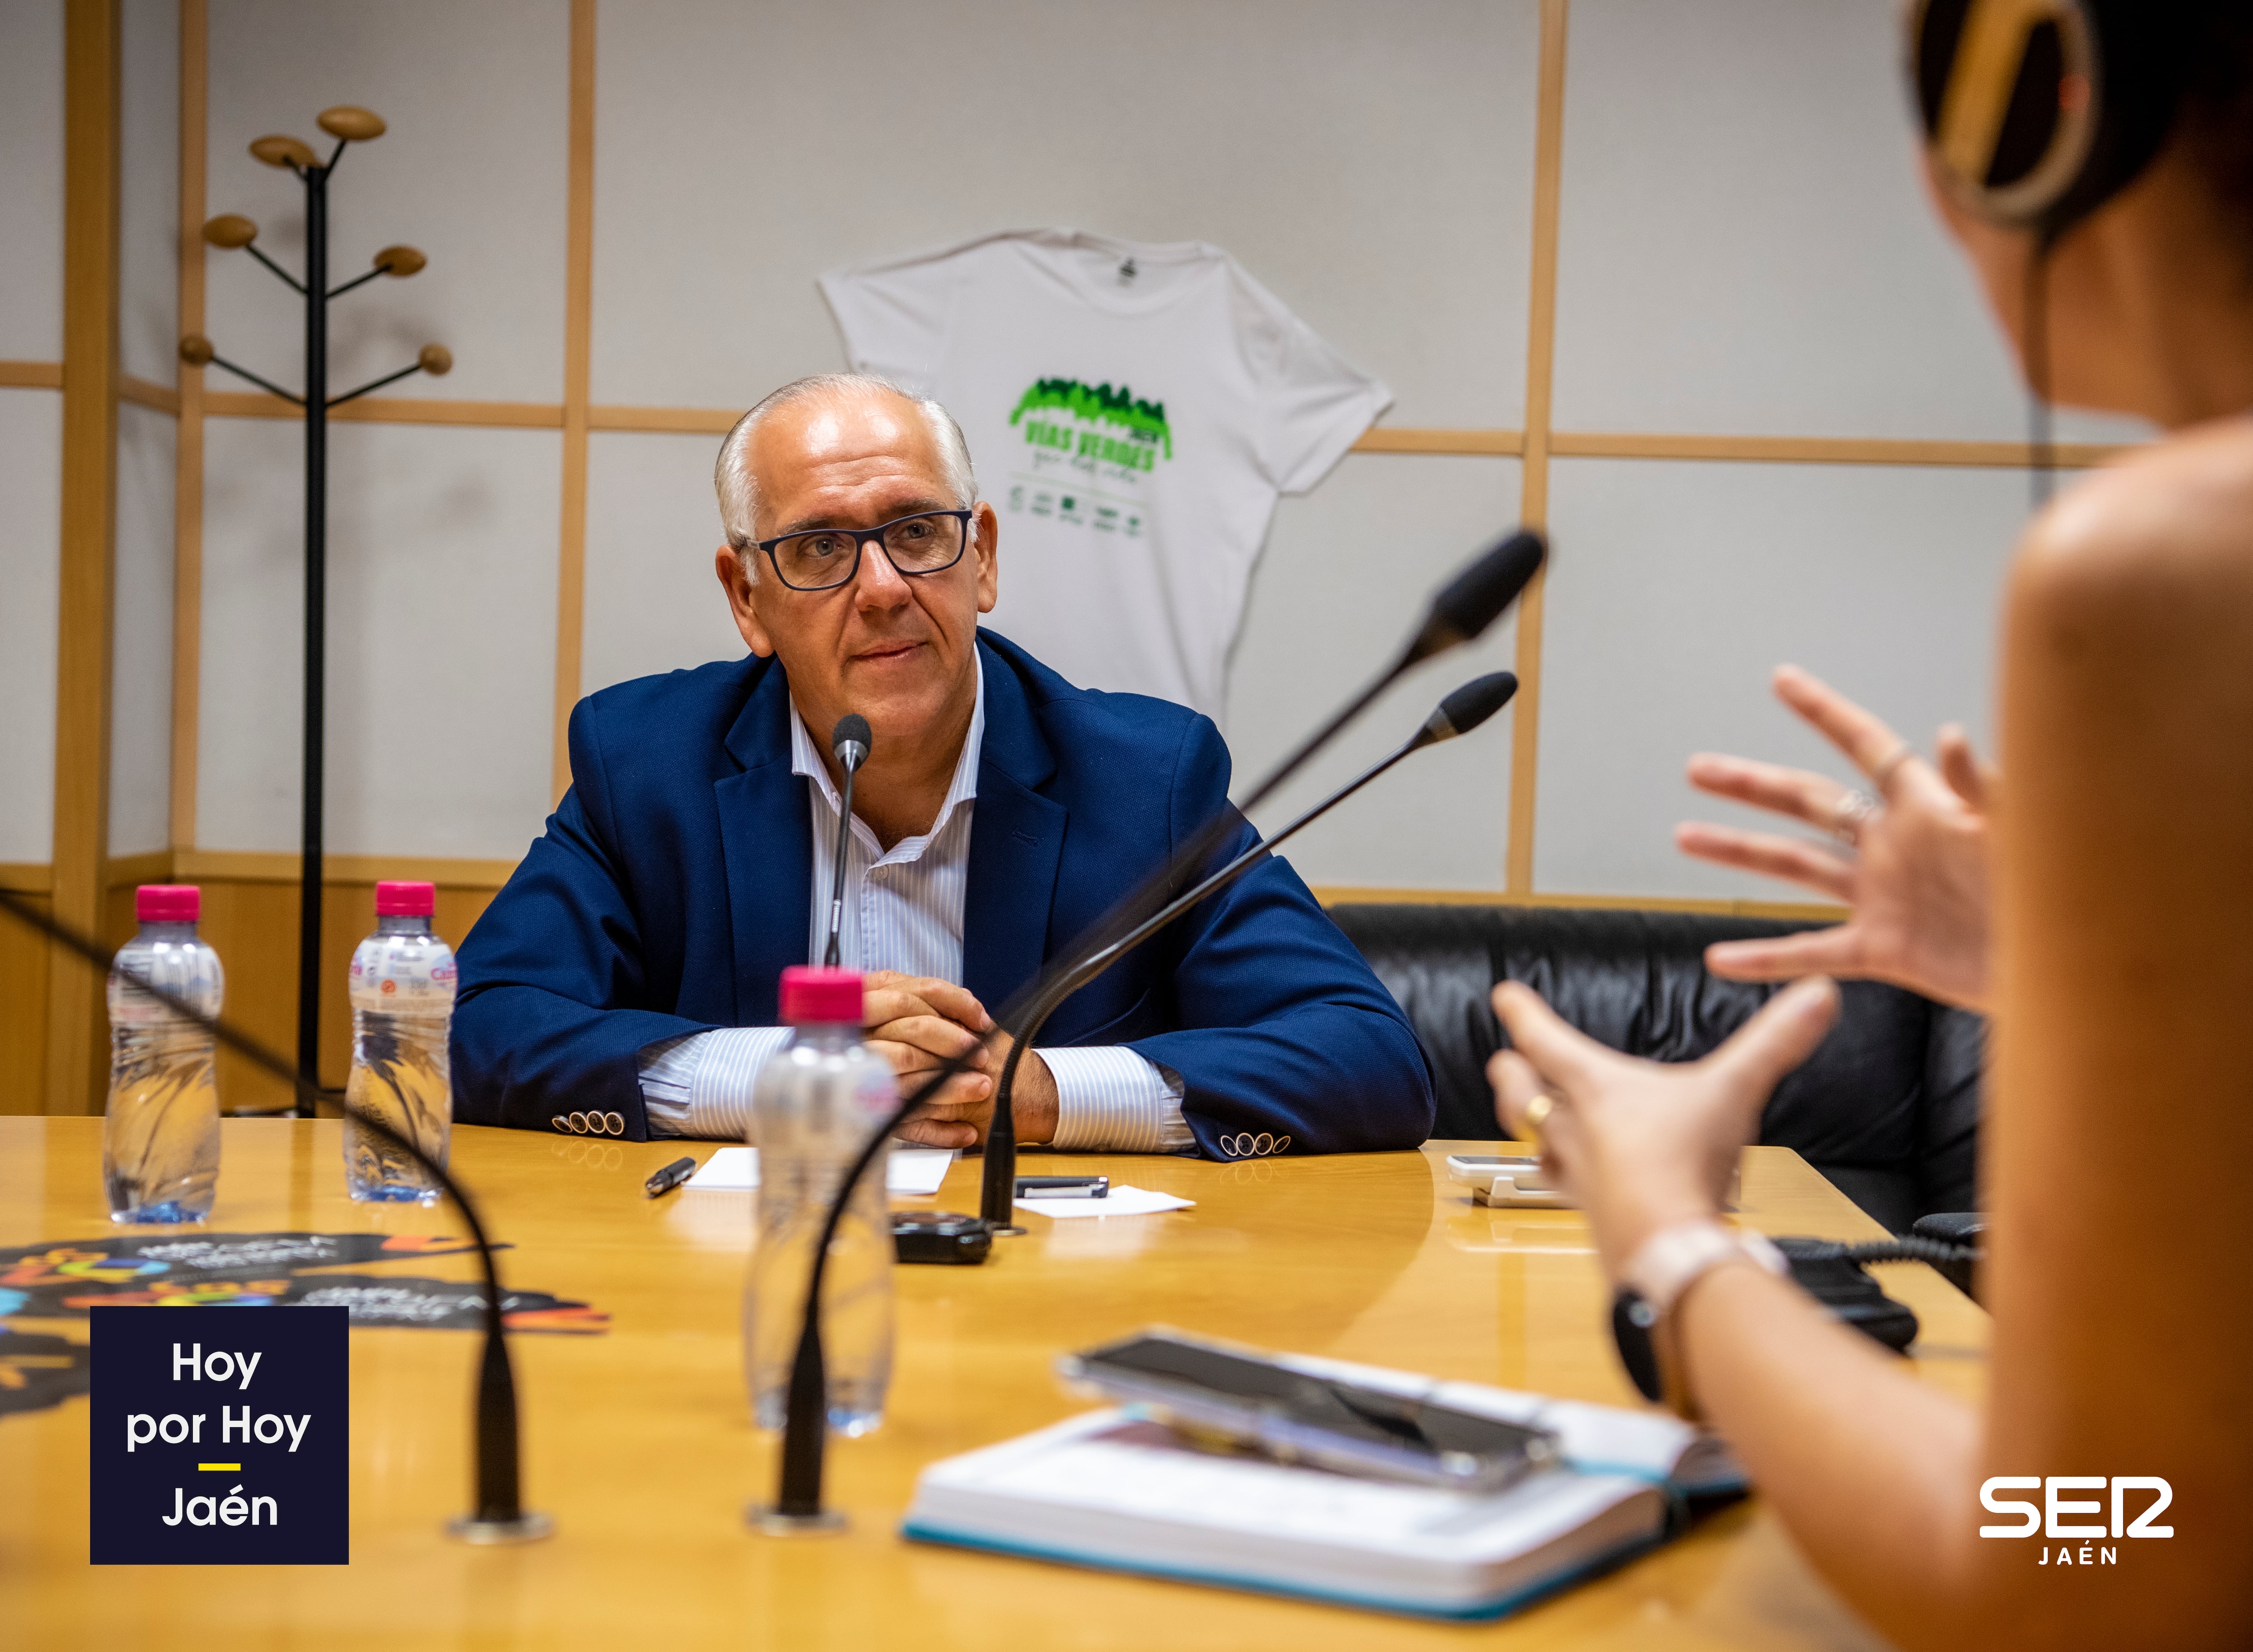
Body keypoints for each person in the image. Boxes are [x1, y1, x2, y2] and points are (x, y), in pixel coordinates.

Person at [1487, 6, 2253, 1646]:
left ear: (2050, 118)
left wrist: (1672, 1239)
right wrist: (2065, 973)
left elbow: (2097, 1558)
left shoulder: (2175, 564)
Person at [452, 373, 1432, 1156]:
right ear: (745, 598)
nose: (882, 589)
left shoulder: (1143, 780)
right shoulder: (645, 763)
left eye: (918, 532)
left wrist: (1042, 1092)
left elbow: (1368, 1059)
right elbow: (476, 1028)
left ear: (983, 560)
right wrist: (777, 1079)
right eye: (821, 547)